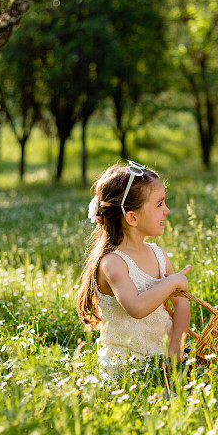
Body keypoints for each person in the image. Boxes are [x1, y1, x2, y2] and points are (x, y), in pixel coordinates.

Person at [75, 161, 192, 378]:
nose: (166, 210)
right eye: (159, 205)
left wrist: (176, 344)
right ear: (132, 217)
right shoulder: (113, 264)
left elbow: (182, 305)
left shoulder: (158, 255)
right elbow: (136, 308)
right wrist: (171, 283)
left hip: (165, 356)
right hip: (129, 368)